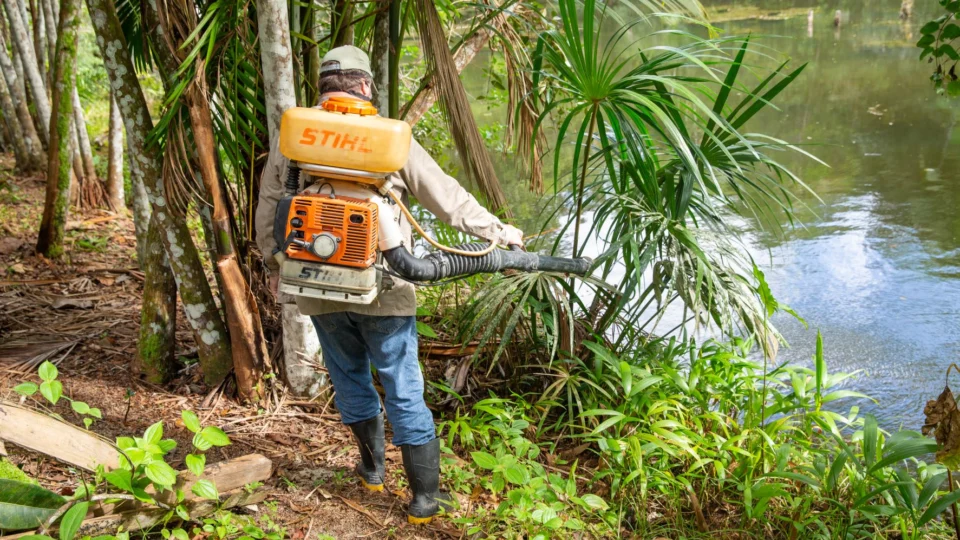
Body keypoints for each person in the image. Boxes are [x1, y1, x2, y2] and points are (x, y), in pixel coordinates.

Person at [254, 45, 524, 524]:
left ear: (324, 87)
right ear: (364, 86)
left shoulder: (294, 134)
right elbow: (447, 198)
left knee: (348, 377)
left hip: (317, 286)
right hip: (386, 282)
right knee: (402, 386)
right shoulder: (386, 137)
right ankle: (425, 499)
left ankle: (371, 468)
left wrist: (277, 263)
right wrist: (500, 235)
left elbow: (271, 205)